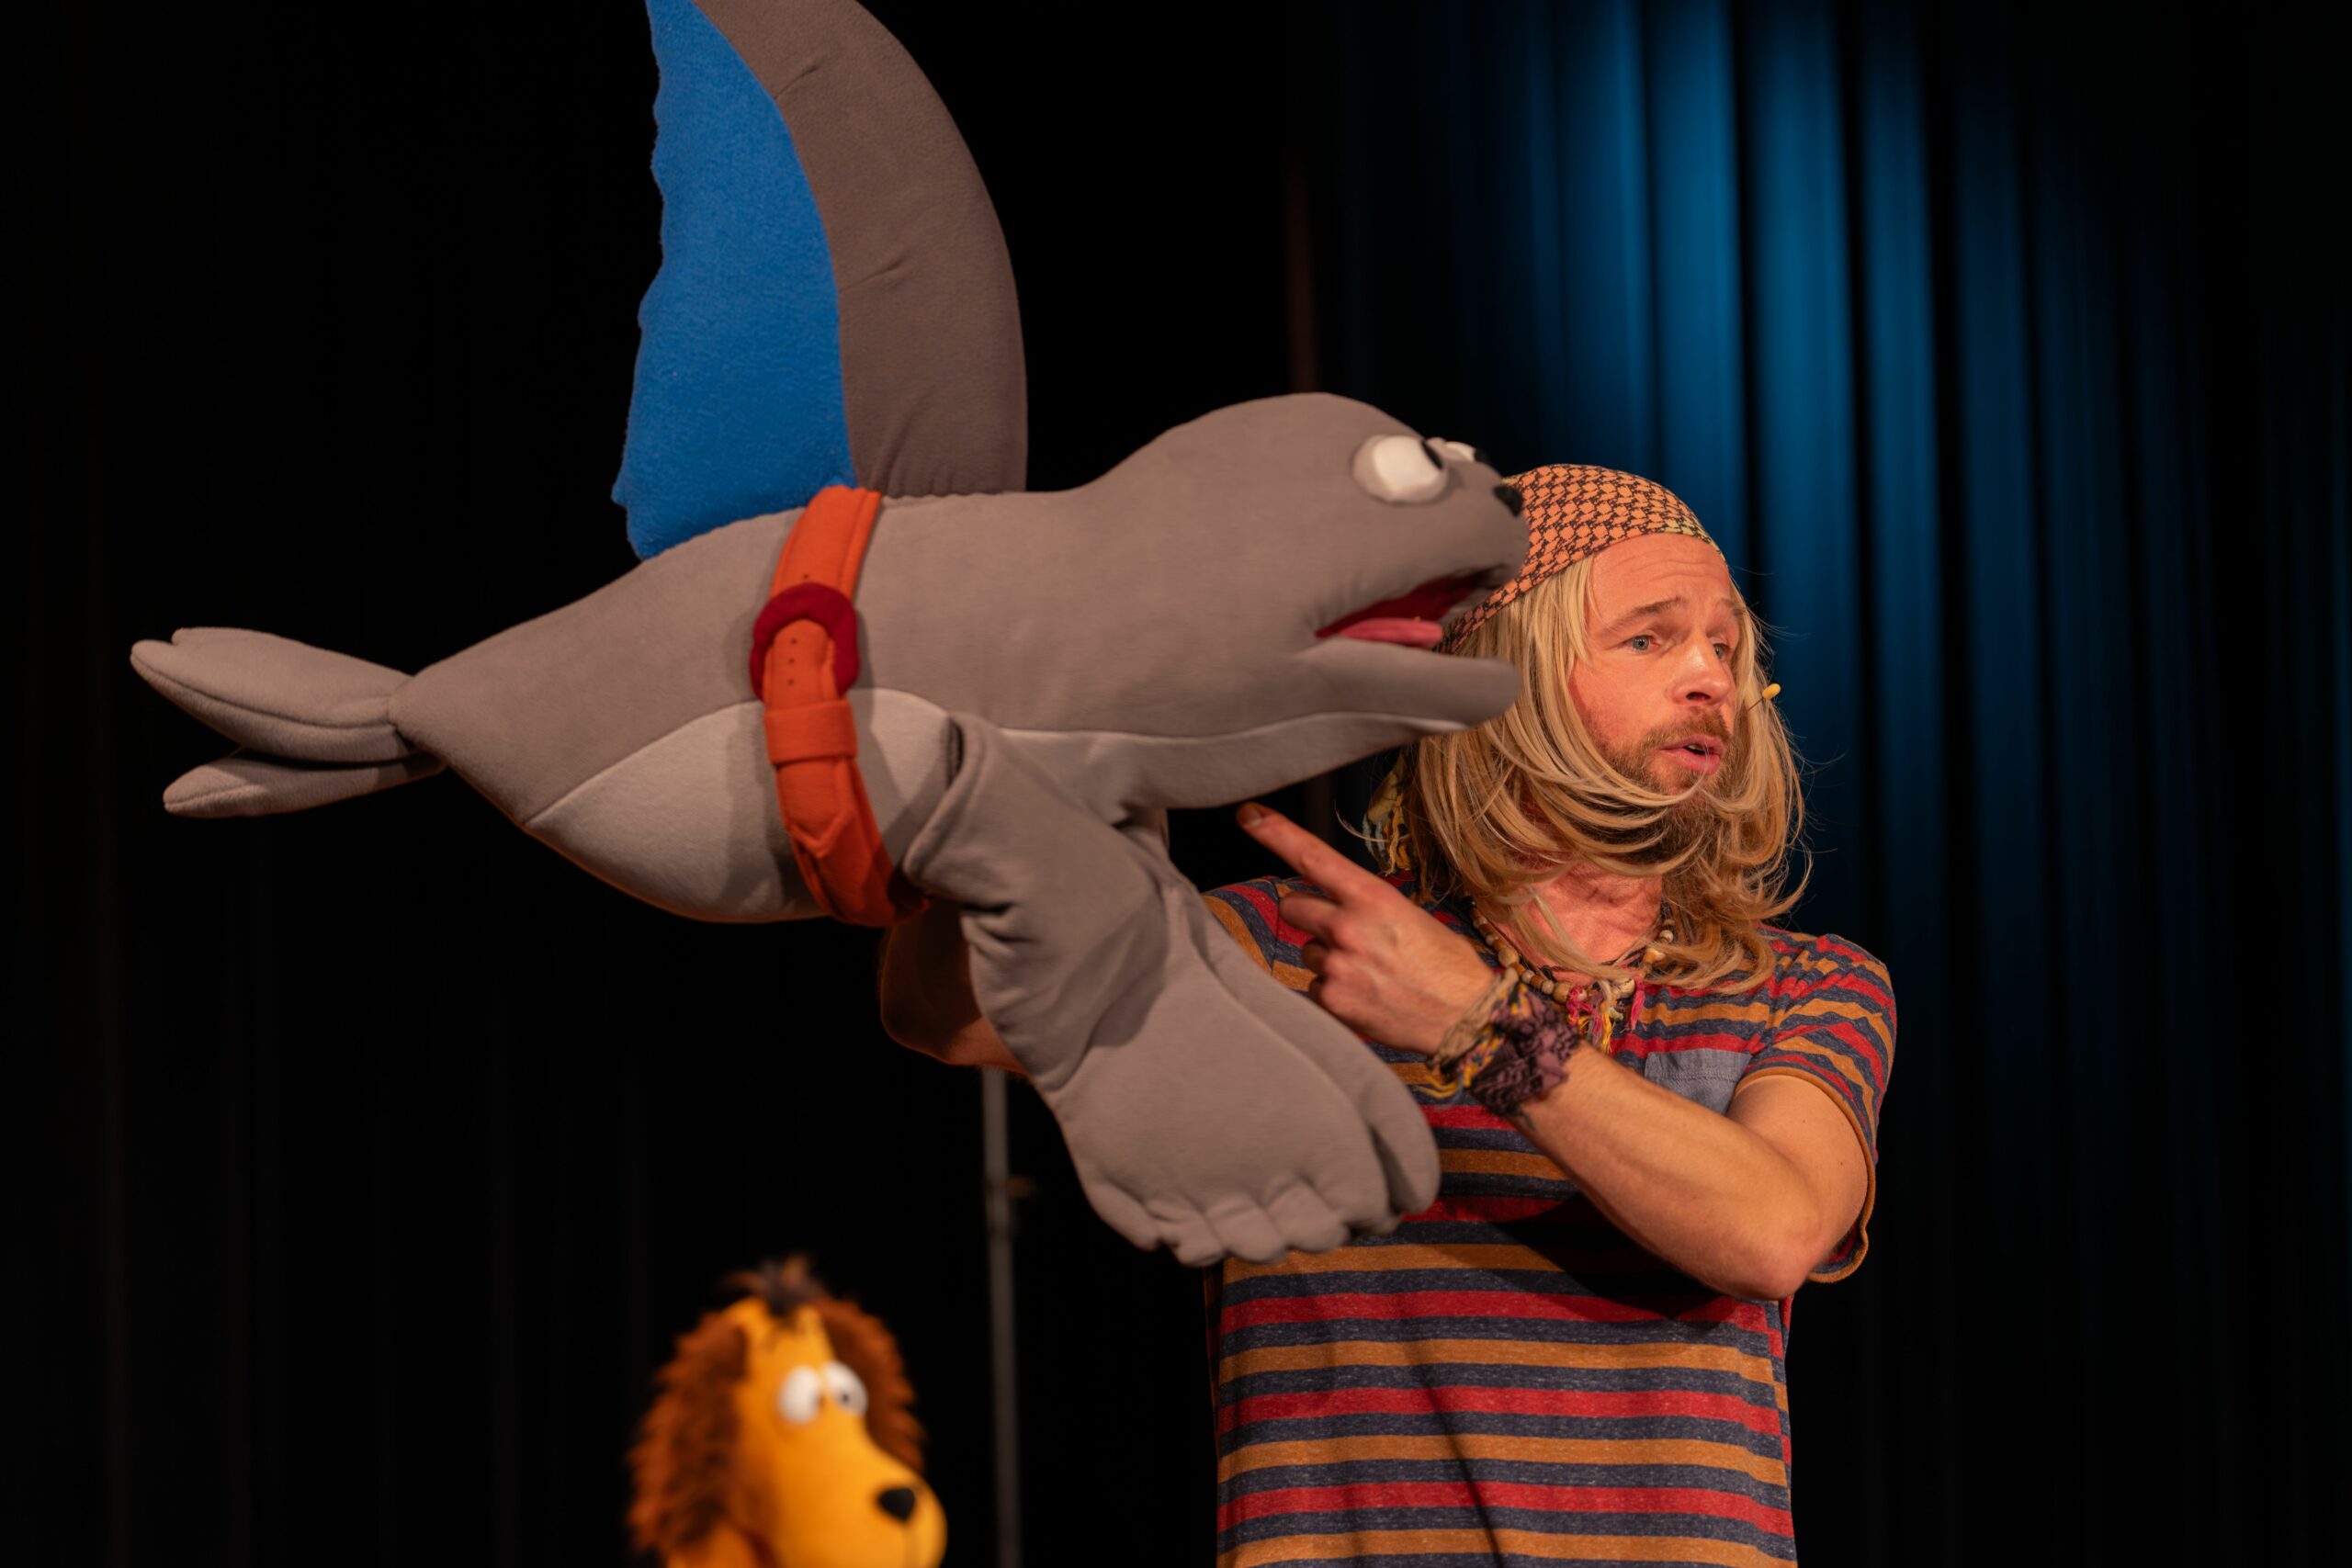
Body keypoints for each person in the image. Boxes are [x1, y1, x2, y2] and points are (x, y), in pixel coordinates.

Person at [879, 464, 1894, 1567]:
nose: (1711, 679)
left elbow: (1773, 1232)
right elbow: (949, 1016)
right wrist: (996, 782)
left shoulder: (1803, 984)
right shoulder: (1289, 947)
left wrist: (1482, 1026)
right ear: (1501, 677)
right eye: (1650, 640)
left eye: (1727, 649)